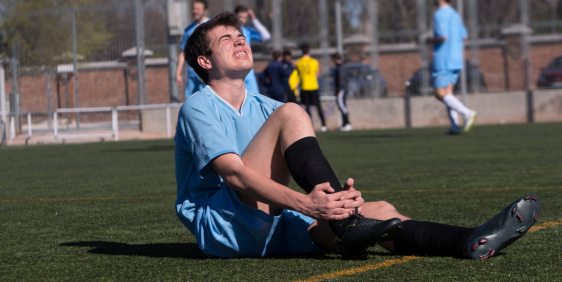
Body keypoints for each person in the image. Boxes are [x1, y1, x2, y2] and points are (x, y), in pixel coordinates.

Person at [176, 12, 541, 260]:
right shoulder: (198, 106)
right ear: (205, 62)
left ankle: (468, 241)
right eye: (227, 39)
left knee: (381, 212)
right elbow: (235, 174)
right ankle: (345, 222)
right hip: (225, 227)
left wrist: (337, 202)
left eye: (242, 36)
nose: (240, 41)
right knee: (292, 112)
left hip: (277, 226)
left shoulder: (265, 105)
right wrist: (308, 204)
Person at [428, 0, 477, 135]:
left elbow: (443, 36)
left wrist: (429, 40)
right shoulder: (455, 14)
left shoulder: (439, 14)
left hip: (444, 59)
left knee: (439, 93)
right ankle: (454, 127)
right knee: (448, 93)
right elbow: (464, 36)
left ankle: (467, 113)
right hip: (456, 59)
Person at [176, 0, 210, 98]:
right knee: (191, 106)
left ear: (205, 11)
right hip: (192, 77)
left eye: (198, 9)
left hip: (209, 76)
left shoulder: (212, 26)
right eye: (193, 8)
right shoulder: (188, 30)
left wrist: (205, 70)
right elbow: (184, 52)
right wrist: (178, 73)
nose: (195, 11)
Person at [235, 5, 271, 95]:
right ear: (235, 16)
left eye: (245, 17)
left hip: (248, 72)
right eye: (240, 17)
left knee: (254, 97)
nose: (242, 20)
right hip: (235, 70)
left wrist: (254, 19)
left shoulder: (247, 31)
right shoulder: (229, 31)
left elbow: (266, 36)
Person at [296, 44, 327, 132]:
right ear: (309, 52)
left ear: (302, 52)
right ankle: (324, 125)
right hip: (313, 87)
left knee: (307, 108)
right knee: (318, 106)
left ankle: (310, 127)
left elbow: (297, 75)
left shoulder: (299, 62)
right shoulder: (314, 62)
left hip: (304, 87)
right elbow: (316, 74)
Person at [332, 53, 352, 132]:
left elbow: (341, 80)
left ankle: (347, 124)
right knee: (342, 106)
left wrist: (338, 90)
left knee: (342, 106)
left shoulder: (340, 68)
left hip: (341, 89)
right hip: (342, 89)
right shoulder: (341, 67)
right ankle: (344, 124)